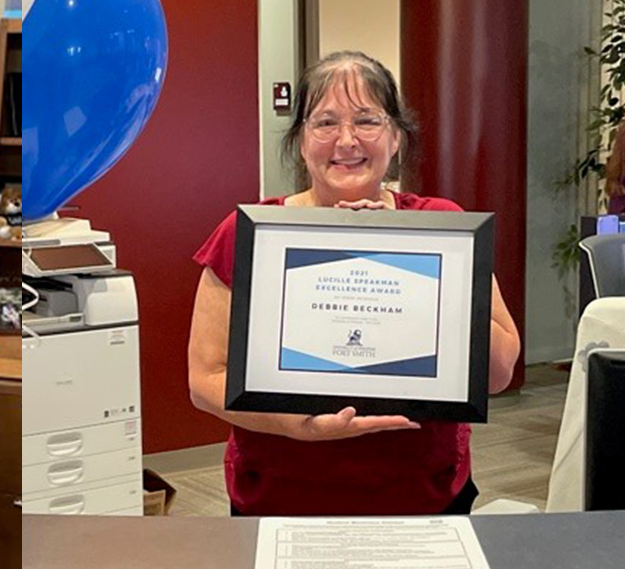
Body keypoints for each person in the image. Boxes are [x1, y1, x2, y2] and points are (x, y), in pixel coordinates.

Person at [186, 50, 522, 517]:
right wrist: (299, 425)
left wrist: (410, 250)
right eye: (325, 123)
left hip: (421, 497)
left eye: (367, 120)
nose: (346, 140)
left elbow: (500, 370)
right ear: (302, 140)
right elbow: (206, 380)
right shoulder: (251, 234)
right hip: (281, 499)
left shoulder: (442, 227)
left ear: (397, 137)